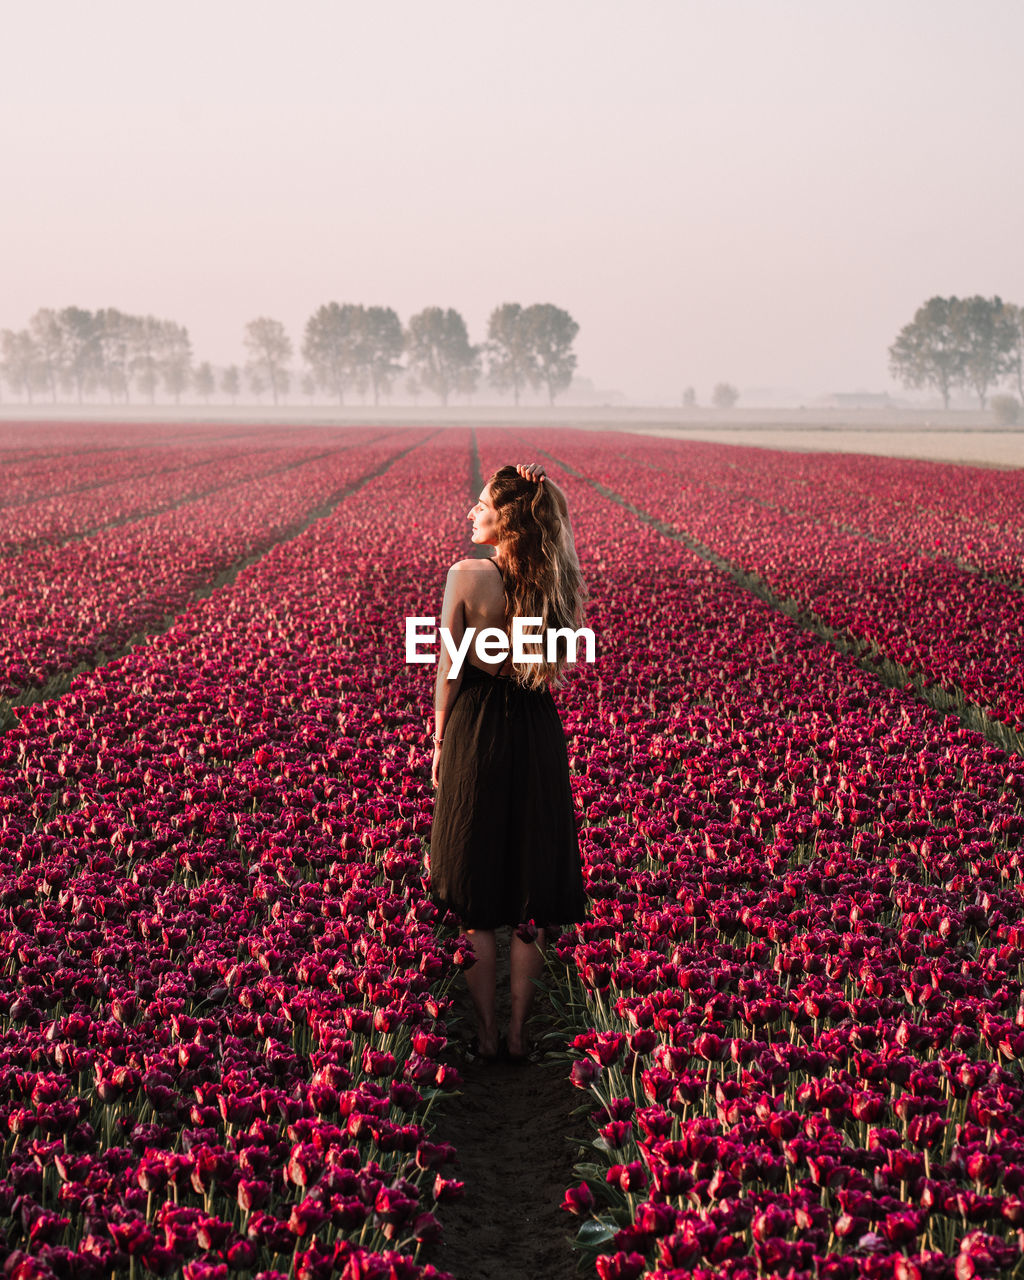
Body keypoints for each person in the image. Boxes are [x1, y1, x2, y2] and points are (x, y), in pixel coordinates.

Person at [428, 462, 588, 1063]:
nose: (472, 513)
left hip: (477, 724)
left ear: (507, 519)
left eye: (482, 507)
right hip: (536, 724)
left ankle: (488, 1034)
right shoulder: (557, 578)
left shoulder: (467, 575)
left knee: (475, 884)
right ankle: (521, 1035)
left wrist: (441, 742)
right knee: (530, 889)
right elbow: (555, 660)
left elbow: (448, 666)